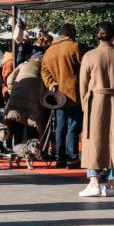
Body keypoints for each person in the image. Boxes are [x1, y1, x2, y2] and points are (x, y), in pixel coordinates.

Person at [77, 22, 114, 197]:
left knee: (94, 140)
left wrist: (85, 104)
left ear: (97, 36)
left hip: (96, 101)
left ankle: (93, 181)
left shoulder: (89, 55)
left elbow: (83, 84)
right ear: (113, 37)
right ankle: (109, 184)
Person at [41, 24, 84, 168]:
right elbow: (84, 68)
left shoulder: (49, 51)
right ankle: (72, 158)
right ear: (70, 33)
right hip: (74, 94)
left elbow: (44, 71)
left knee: (60, 127)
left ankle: (60, 158)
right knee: (73, 127)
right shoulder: (75, 46)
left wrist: (51, 83)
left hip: (58, 95)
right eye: (75, 32)